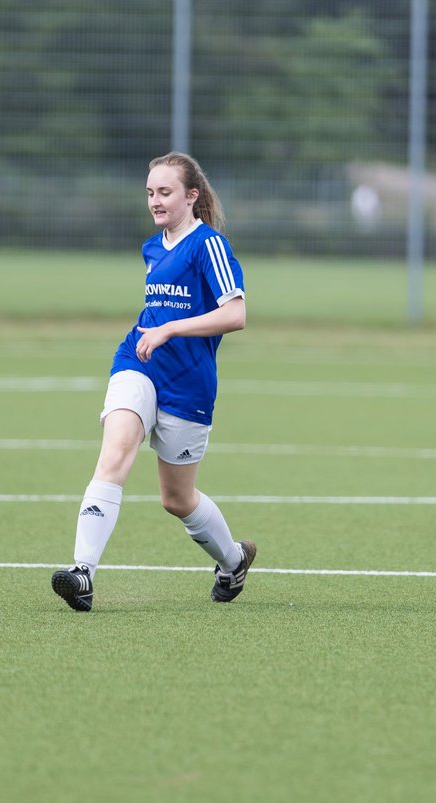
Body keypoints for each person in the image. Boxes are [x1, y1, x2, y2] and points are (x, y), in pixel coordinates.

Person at [51, 152, 256, 612]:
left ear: (191, 195)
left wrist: (170, 329)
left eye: (165, 192)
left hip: (189, 383)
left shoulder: (209, 246)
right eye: (150, 193)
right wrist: (155, 330)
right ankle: (82, 573)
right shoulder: (151, 247)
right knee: (115, 452)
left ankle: (233, 561)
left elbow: (236, 314)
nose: (155, 201)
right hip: (138, 361)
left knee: (177, 498)